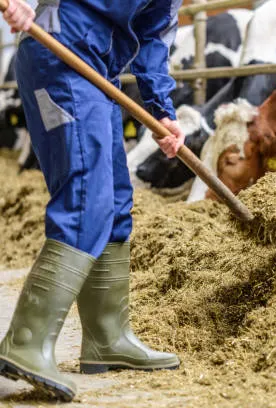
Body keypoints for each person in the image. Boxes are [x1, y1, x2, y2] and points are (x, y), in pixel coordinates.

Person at [0, 0, 185, 401]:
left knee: (116, 199)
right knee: (88, 196)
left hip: (97, 72)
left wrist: (162, 110)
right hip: (58, 54)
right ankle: (26, 342)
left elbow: (152, 36)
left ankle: (107, 337)